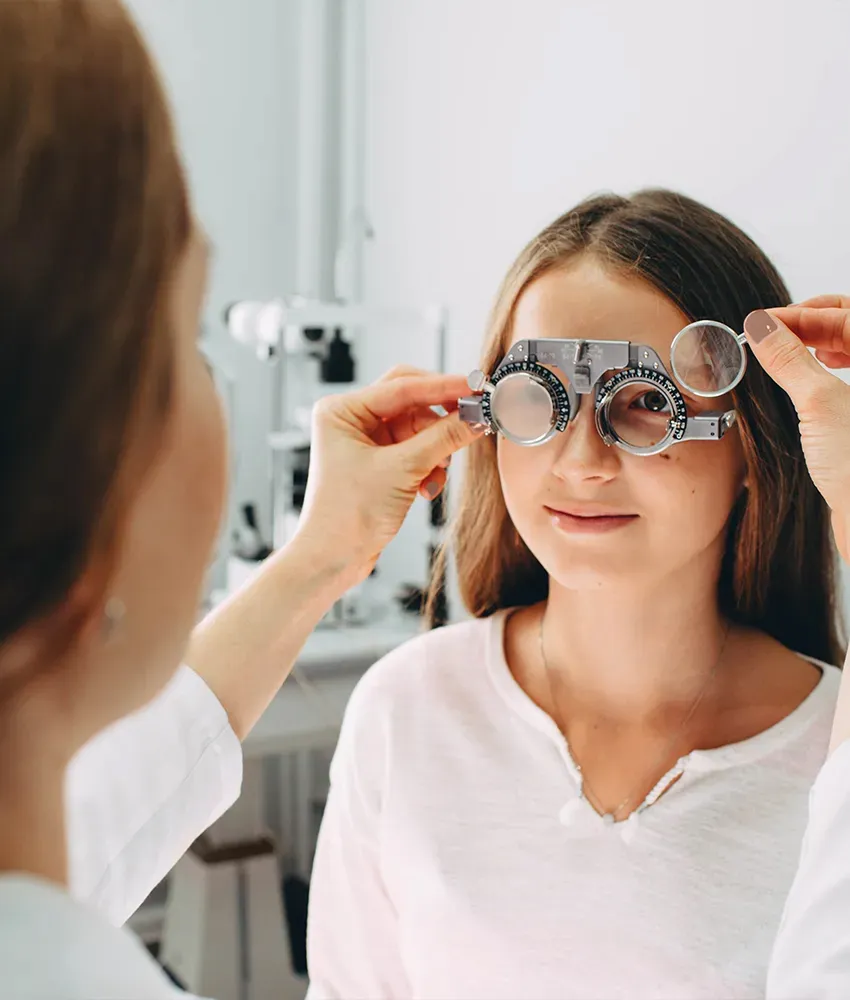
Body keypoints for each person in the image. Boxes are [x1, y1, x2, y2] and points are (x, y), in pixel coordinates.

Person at [0, 2, 482, 996]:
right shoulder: (412, 706)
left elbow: (103, 810)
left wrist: (321, 557)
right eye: (190, 343)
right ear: (88, 453)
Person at [305, 191, 848, 1000]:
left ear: (753, 444)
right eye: (539, 396)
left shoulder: (831, 755)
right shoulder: (409, 707)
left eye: (646, 404)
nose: (582, 461)